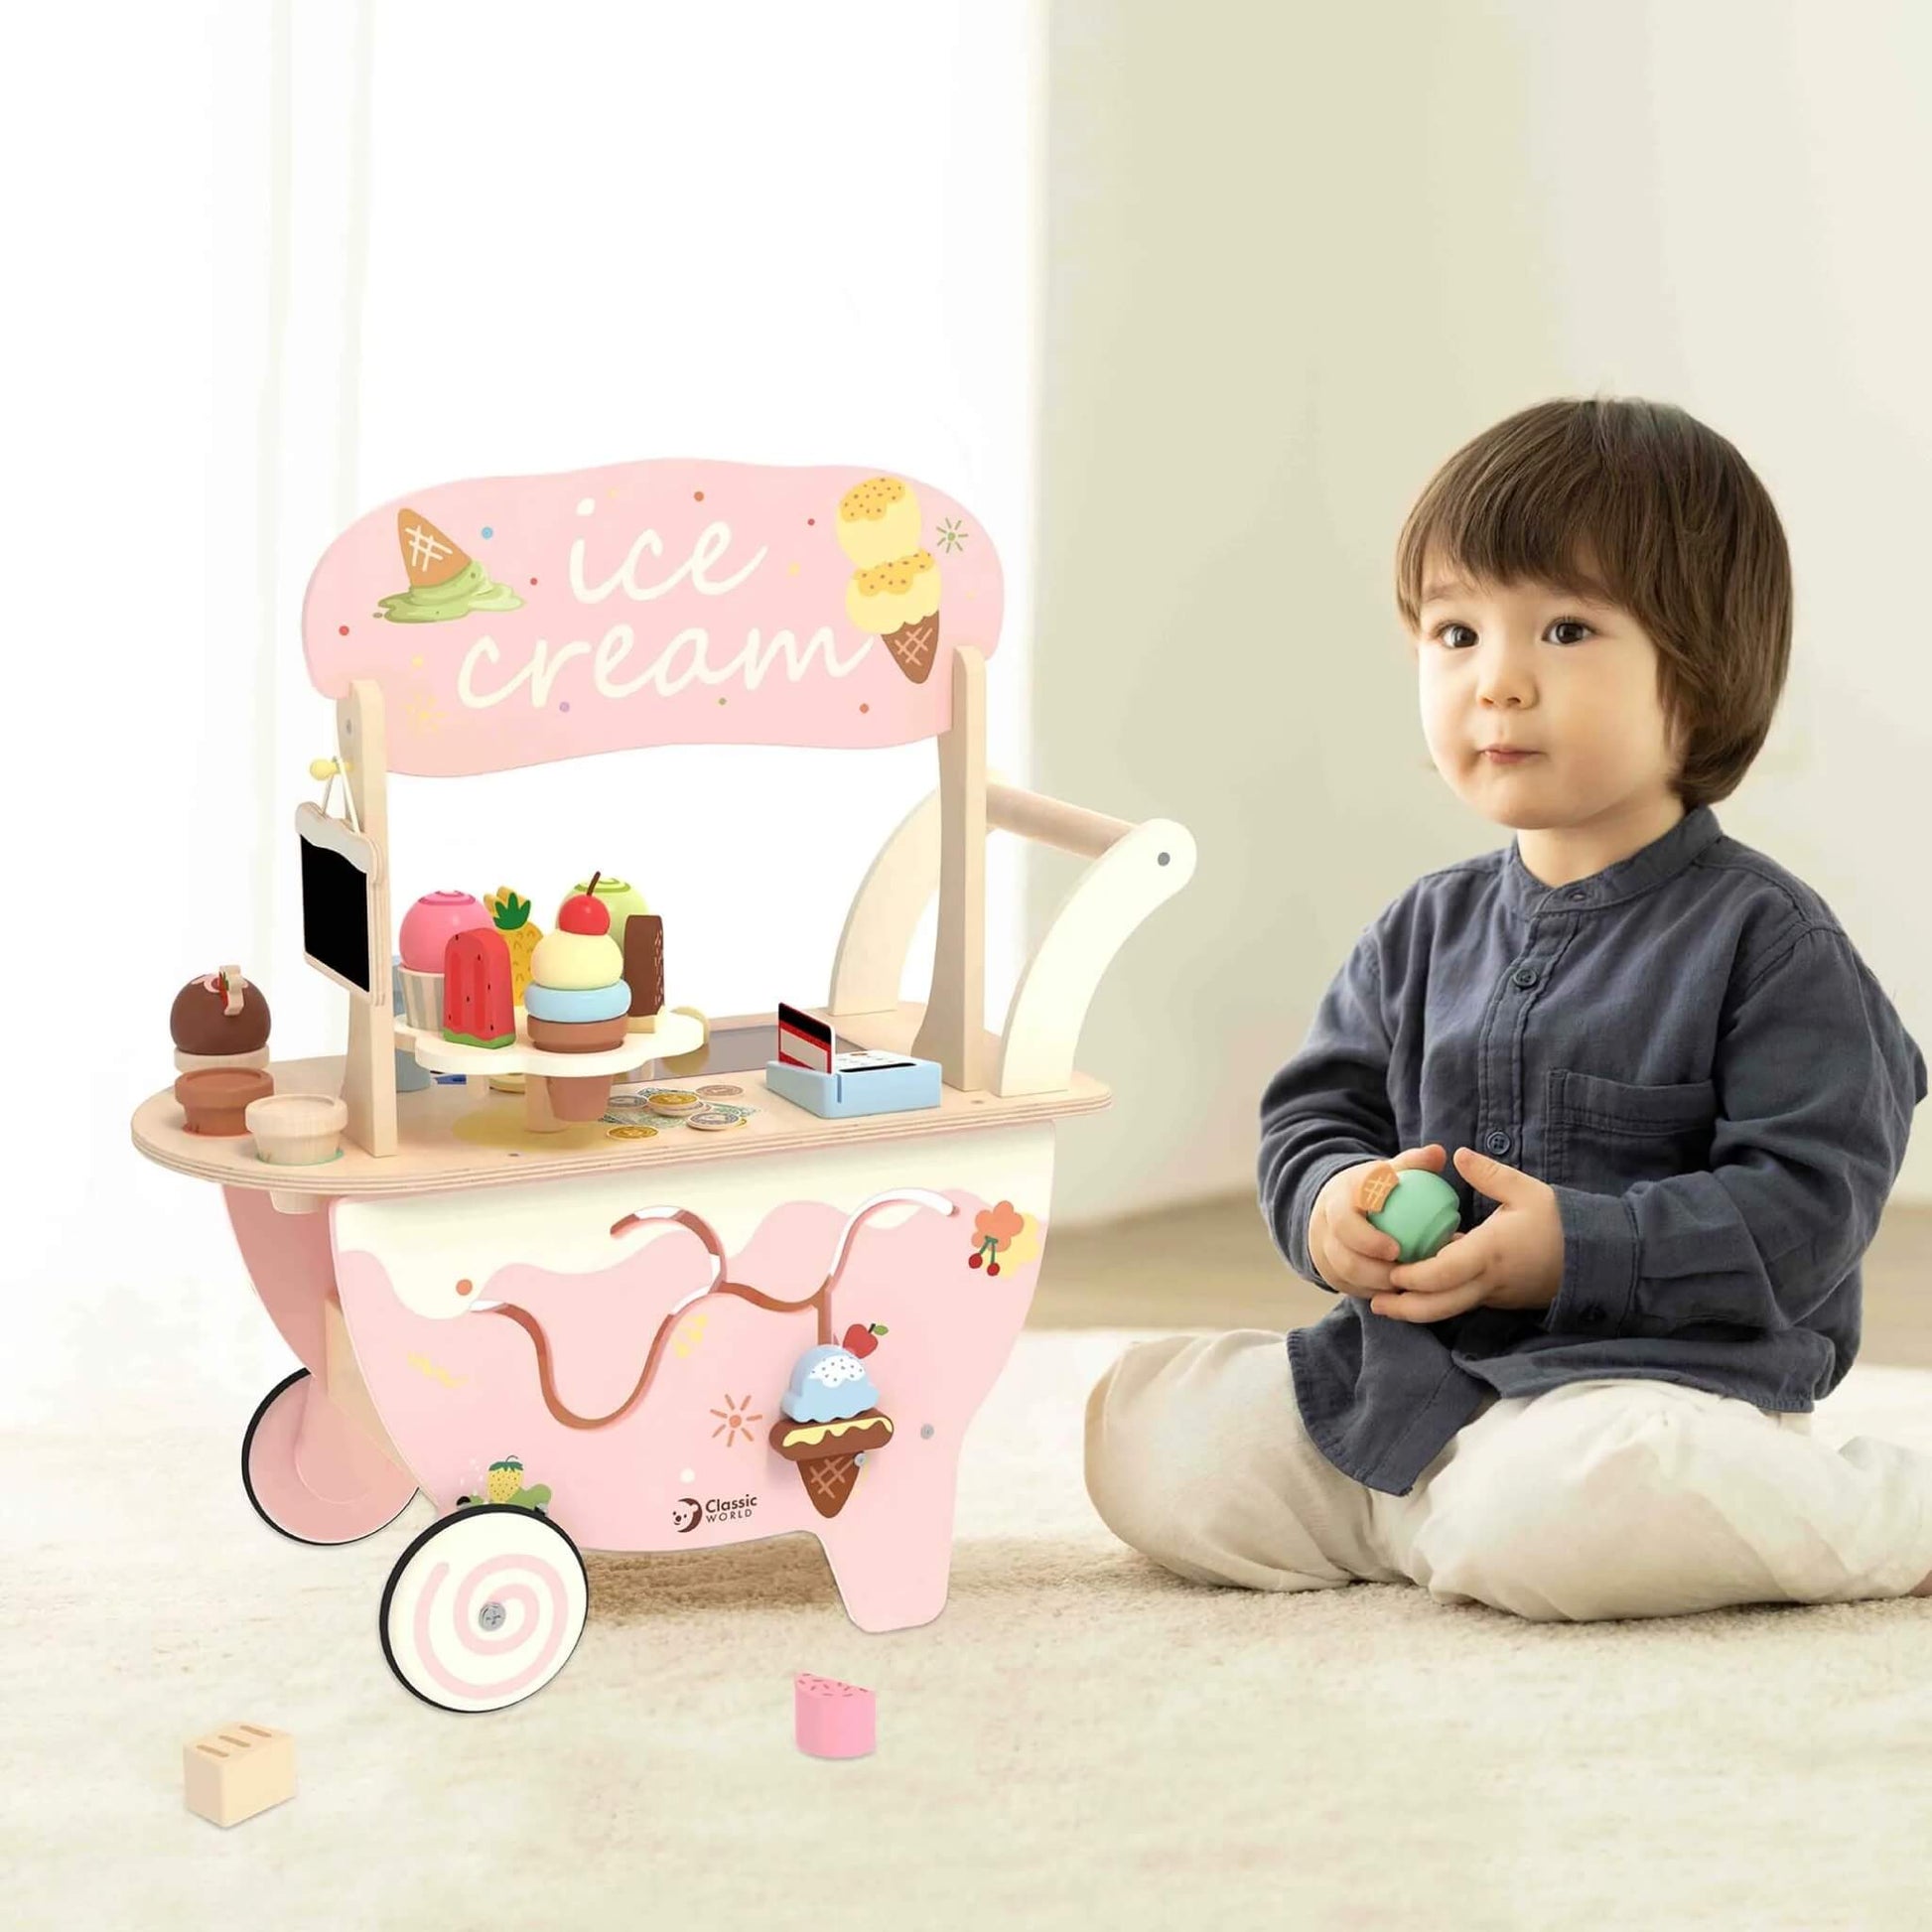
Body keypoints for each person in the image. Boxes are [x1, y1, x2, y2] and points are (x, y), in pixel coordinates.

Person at [1085, 396, 1932, 1620]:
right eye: (1454, 632)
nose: (1497, 682)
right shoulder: (1421, 927)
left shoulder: (1769, 944)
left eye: (1564, 628)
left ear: (1699, 673)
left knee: (1586, 1502)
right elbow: (1314, 1114)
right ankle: (1434, 1512)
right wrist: (1333, 1202)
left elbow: (1809, 1209)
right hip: (1403, 1383)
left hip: (1639, 1394)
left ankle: (1872, 1513)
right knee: (1145, 1432)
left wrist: (1573, 1248)